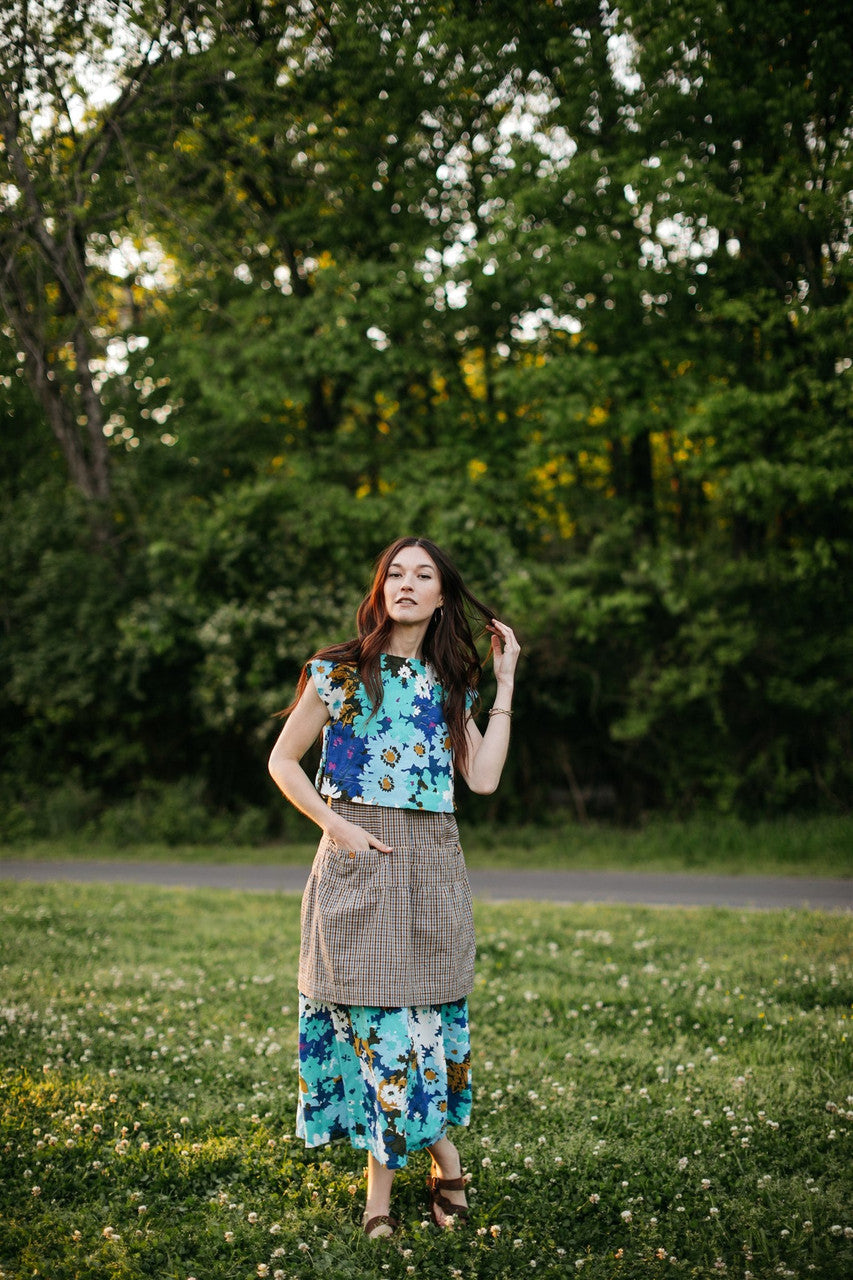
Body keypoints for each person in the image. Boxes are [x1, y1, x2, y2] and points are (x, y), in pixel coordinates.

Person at [268, 536, 520, 1239]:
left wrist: (504, 684)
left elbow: (483, 779)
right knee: (376, 1030)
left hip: (431, 862)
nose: (407, 584)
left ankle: (385, 1197)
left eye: (423, 575)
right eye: (395, 574)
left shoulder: (450, 685)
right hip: (357, 855)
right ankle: (437, 1164)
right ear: (381, 590)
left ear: (440, 597)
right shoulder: (339, 672)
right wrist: (335, 825)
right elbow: (283, 762)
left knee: (419, 1029)